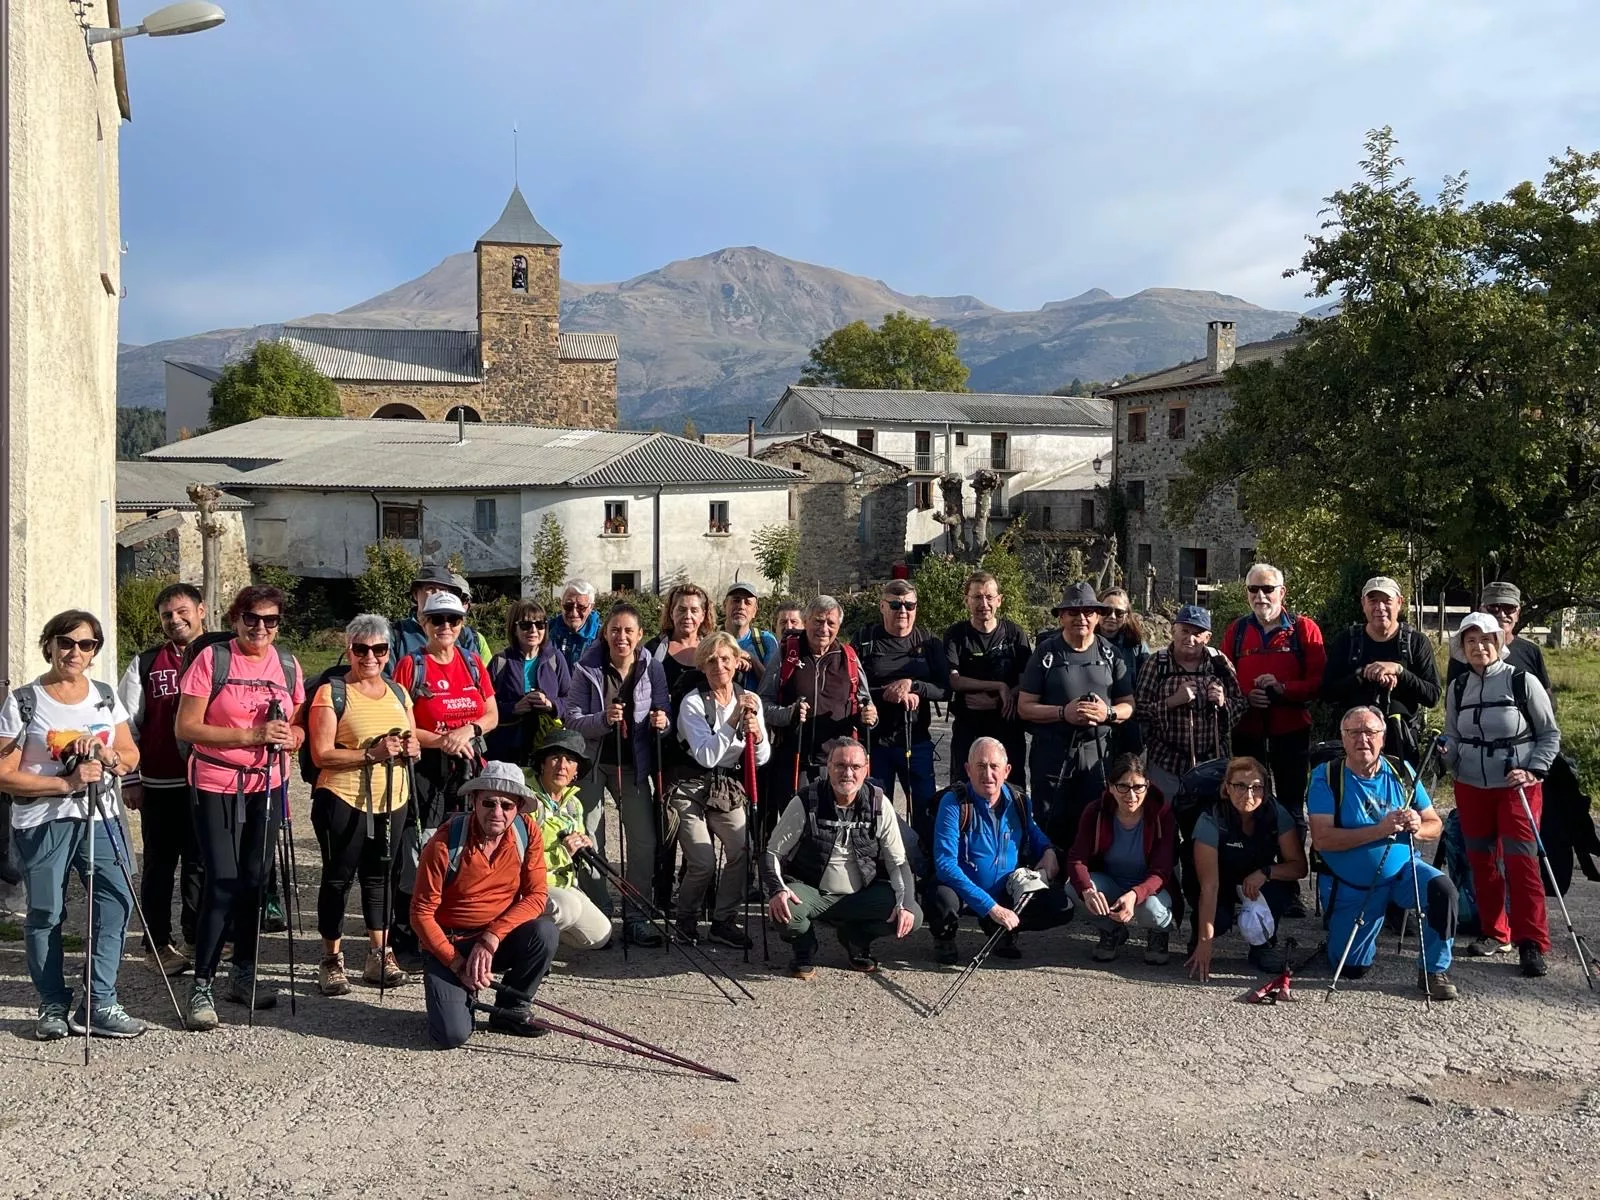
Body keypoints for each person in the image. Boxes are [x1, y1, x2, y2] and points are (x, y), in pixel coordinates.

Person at [0, 611, 143, 1040]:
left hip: (101, 816)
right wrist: (65, 783)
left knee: (116, 902)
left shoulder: (103, 695)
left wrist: (107, 755)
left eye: (86, 644)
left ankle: (100, 1002)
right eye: (65, 642)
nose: (75, 652)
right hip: (43, 820)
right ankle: (52, 1003)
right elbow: (4, 775)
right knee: (46, 912)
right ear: (49, 645)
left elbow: (129, 755)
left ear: (95, 651)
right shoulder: (24, 702)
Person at [174, 585, 306, 1030]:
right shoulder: (212, 660)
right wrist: (252, 736)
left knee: (254, 881)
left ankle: (243, 974)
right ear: (236, 619)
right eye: (252, 618)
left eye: (270, 620)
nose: (260, 627)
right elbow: (187, 726)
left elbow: (297, 724)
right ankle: (202, 984)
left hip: (267, 783)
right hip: (216, 783)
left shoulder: (287, 664)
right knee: (223, 881)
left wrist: (293, 737)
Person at [1309, 705, 1459, 1000]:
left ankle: (1433, 970)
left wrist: (1417, 826)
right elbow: (1323, 839)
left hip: (1404, 872)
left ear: (1383, 737)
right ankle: (1359, 925)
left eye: (1370, 732)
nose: (1362, 739)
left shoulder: (1402, 771)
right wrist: (1380, 830)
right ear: (1343, 737)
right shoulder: (1326, 776)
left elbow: (1434, 824)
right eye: (1354, 732)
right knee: (1351, 968)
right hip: (1353, 885)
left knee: (1443, 890)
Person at [410, 760, 560, 1047]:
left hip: (495, 939)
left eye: (507, 805)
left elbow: (536, 895)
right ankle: (460, 992)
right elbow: (420, 914)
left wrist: (491, 937)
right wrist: (457, 964)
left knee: (545, 933)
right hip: (450, 943)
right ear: (474, 801)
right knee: (451, 1035)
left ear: (518, 807)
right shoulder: (443, 843)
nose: (497, 813)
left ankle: (510, 1011)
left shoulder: (527, 831)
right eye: (489, 803)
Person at [307, 614, 419, 996]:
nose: (370, 656)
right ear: (349, 649)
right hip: (343, 797)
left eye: (379, 649)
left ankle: (379, 954)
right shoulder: (332, 693)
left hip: (393, 798)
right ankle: (331, 959)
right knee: (338, 878)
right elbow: (321, 754)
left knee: (380, 878)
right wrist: (371, 755)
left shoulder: (399, 692)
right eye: (361, 649)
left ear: (388, 652)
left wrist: (412, 748)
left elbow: (412, 739)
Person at [1444, 612, 1561, 977]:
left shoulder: (1522, 681)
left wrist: (1534, 770)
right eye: (1471, 641)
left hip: (1516, 788)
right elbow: (1453, 735)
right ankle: (1496, 932)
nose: (1479, 647)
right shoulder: (1458, 687)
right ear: (1462, 647)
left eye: (1486, 640)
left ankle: (1532, 941)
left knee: (1522, 863)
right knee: (1481, 861)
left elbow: (1549, 734)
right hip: (1470, 786)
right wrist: (1446, 753)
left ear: (1498, 643)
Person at [389, 590, 497, 957]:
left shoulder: (472, 662)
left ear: (462, 623)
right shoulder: (411, 665)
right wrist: (444, 741)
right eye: (437, 619)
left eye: (452, 619)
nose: (445, 626)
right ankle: (407, 929)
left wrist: (468, 731)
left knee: (463, 847)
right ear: (424, 623)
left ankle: (452, 924)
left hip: (467, 766)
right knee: (419, 849)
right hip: (425, 769)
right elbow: (402, 726)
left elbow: (491, 714)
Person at [761, 738, 921, 979]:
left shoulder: (879, 803)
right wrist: (777, 889)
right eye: (840, 766)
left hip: (861, 894)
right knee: (784, 911)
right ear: (828, 766)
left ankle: (856, 938)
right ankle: (804, 947)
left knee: (913, 915)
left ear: (866, 769)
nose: (848, 773)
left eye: (855, 767)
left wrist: (904, 903)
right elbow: (772, 852)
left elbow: (897, 862)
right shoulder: (806, 800)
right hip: (812, 891)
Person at [1220, 562, 1325, 916]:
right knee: (1246, 804)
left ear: (1282, 592)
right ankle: (1247, 879)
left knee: (1291, 808)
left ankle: (1288, 886)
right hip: (1247, 730)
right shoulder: (1237, 631)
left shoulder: (1303, 629)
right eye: (1253, 589)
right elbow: (1223, 679)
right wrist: (1245, 695)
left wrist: (1283, 689)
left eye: (1268, 589)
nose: (1260, 596)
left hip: (1291, 731)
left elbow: (1318, 682)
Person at [566, 603, 671, 947]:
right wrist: (603, 719)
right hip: (593, 763)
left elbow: (665, 713)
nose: (621, 637)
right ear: (605, 633)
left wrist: (662, 722)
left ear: (640, 635)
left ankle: (636, 916)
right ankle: (600, 911)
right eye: (615, 630)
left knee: (643, 841)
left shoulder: (653, 668)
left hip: (633, 765)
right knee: (590, 838)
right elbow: (571, 719)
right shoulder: (587, 667)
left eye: (628, 630)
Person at [116, 581, 206, 977]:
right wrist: (130, 778)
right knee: (159, 865)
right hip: (160, 783)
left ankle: (196, 936)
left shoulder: (221, 655)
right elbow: (126, 724)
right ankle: (156, 943)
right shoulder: (147, 663)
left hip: (210, 782)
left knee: (201, 863)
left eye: (182, 611)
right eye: (167, 615)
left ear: (201, 610)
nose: (175, 619)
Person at [928, 737, 1073, 966]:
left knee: (1060, 906)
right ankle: (945, 937)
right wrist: (991, 907)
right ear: (968, 769)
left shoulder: (1019, 801)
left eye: (994, 766)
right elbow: (945, 865)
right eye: (980, 766)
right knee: (940, 897)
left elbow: (1034, 834)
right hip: (963, 891)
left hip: (1005, 889)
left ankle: (998, 928)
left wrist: (1048, 851)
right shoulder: (953, 802)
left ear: (1007, 771)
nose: (988, 774)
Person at [671, 632, 769, 949]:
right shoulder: (692, 703)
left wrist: (758, 735)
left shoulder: (750, 700)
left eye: (725, 658)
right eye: (711, 660)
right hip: (690, 785)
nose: (719, 666)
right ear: (702, 665)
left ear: (737, 661)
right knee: (703, 862)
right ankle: (686, 920)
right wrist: (734, 720)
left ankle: (723, 920)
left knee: (742, 850)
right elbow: (706, 756)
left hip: (726, 786)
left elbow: (761, 757)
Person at [1017, 582, 1135, 846]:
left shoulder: (1110, 654)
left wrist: (1108, 713)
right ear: (1061, 616)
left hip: (1097, 754)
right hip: (1052, 752)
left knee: (1096, 823)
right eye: (1073, 612)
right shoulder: (1046, 653)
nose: (1081, 618)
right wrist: (1063, 713)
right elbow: (1024, 706)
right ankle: (1050, 869)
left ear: (1097, 616)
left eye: (1088, 612)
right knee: (1050, 822)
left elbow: (1128, 704)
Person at [1183, 756, 1308, 982]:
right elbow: (1209, 886)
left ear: (1265, 790)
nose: (1248, 795)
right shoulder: (1211, 819)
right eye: (1240, 786)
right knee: (1218, 920)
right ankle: (1199, 933)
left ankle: (1263, 944)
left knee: (1280, 890)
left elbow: (1299, 868)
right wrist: (1205, 943)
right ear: (1227, 788)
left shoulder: (1277, 814)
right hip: (1218, 881)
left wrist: (1266, 872)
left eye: (1256, 787)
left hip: (1256, 881)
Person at [855, 580, 948, 851]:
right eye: (895, 605)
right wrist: (886, 693)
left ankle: (924, 866)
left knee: (925, 811)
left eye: (909, 605)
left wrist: (914, 686)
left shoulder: (928, 642)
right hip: (875, 743)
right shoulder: (865, 639)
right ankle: (876, 865)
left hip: (915, 741)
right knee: (874, 811)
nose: (903, 611)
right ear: (882, 606)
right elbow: (850, 685)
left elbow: (946, 690)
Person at [1066, 753, 1178, 965]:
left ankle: (1158, 932)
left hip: (1150, 888)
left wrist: (1135, 895)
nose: (1131, 795)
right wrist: (1088, 891)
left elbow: (1162, 871)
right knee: (1074, 887)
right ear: (1110, 787)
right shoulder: (1095, 811)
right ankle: (1112, 930)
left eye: (1138, 787)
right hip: (1112, 881)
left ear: (1147, 785)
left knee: (1151, 910)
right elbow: (1076, 858)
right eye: (1123, 787)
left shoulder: (1162, 814)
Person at [759, 595, 877, 791]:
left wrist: (870, 716)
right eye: (818, 621)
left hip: (838, 767)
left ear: (839, 626)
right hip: (793, 763)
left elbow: (867, 706)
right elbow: (762, 704)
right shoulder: (787, 654)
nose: (824, 629)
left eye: (831, 623)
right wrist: (788, 714)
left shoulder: (849, 658)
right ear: (806, 621)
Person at [1321, 577, 1440, 767]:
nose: (1380, 607)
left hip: (1401, 746)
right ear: (1363, 604)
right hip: (1354, 746)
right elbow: (1327, 693)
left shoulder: (1416, 642)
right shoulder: (1347, 641)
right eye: (1373, 601)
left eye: (1387, 601)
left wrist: (1400, 672)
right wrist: (1362, 675)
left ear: (1400, 602)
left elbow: (1432, 696)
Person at [1133, 604, 1247, 801]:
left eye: (1197, 633)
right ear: (1173, 630)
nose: (1190, 638)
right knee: (1166, 817)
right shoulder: (1156, 664)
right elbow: (1139, 712)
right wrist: (1172, 702)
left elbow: (1240, 706)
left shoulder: (1219, 663)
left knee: (1209, 818)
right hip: (1166, 764)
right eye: (1184, 631)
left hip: (1212, 763)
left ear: (1207, 637)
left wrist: (1223, 702)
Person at [522, 731, 612, 951]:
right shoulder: (526, 800)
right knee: (568, 907)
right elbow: (516, 858)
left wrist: (582, 846)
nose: (562, 766)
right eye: (555, 758)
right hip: (527, 885)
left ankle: (544, 930)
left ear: (576, 771)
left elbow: (573, 851)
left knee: (600, 935)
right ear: (542, 763)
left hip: (561, 885)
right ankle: (529, 946)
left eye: (570, 760)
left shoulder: (573, 804)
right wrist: (563, 853)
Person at [944, 571, 1032, 793]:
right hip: (968, 727)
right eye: (977, 597)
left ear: (999, 600)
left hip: (1008, 727)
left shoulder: (1015, 635)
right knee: (963, 790)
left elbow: (1027, 682)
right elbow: (954, 681)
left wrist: (999, 700)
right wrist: (999, 687)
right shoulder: (956, 635)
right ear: (966, 600)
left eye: (989, 597)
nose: (983, 604)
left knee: (1012, 790)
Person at [485, 599, 570, 765]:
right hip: (507, 749)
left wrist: (551, 705)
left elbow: (570, 700)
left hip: (546, 747)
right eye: (525, 625)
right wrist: (514, 708)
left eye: (540, 625)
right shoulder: (500, 661)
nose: (533, 630)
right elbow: (484, 706)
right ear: (514, 628)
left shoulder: (555, 658)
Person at [1445, 582, 1553, 697]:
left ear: (1517, 614)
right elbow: (1452, 699)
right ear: (1481, 611)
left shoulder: (1530, 652)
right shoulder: (1465, 654)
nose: (1501, 614)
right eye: (1494, 608)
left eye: (1509, 608)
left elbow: (1547, 698)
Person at [392, 563, 483, 663]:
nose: (437, 594)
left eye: (443, 589)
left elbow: (475, 669)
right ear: (415, 594)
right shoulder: (396, 634)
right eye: (430, 588)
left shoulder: (463, 635)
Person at [1099, 587, 1149, 758]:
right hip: (1094, 722)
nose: (1112, 617)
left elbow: (1147, 684)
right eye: (1106, 611)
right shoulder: (1084, 641)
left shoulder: (1136, 645)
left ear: (1127, 616)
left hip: (1128, 722)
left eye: (1119, 613)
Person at [722, 582, 777, 690]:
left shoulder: (766, 641)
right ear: (725, 606)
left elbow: (772, 685)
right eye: (736, 600)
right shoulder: (713, 642)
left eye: (747, 603)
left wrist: (752, 658)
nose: (741, 606)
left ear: (754, 611)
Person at [550, 580, 600, 668]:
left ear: (591, 607)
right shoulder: (547, 631)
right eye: (568, 606)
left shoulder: (601, 636)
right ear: (561, 604)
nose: (574, 613)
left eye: (581, 607)